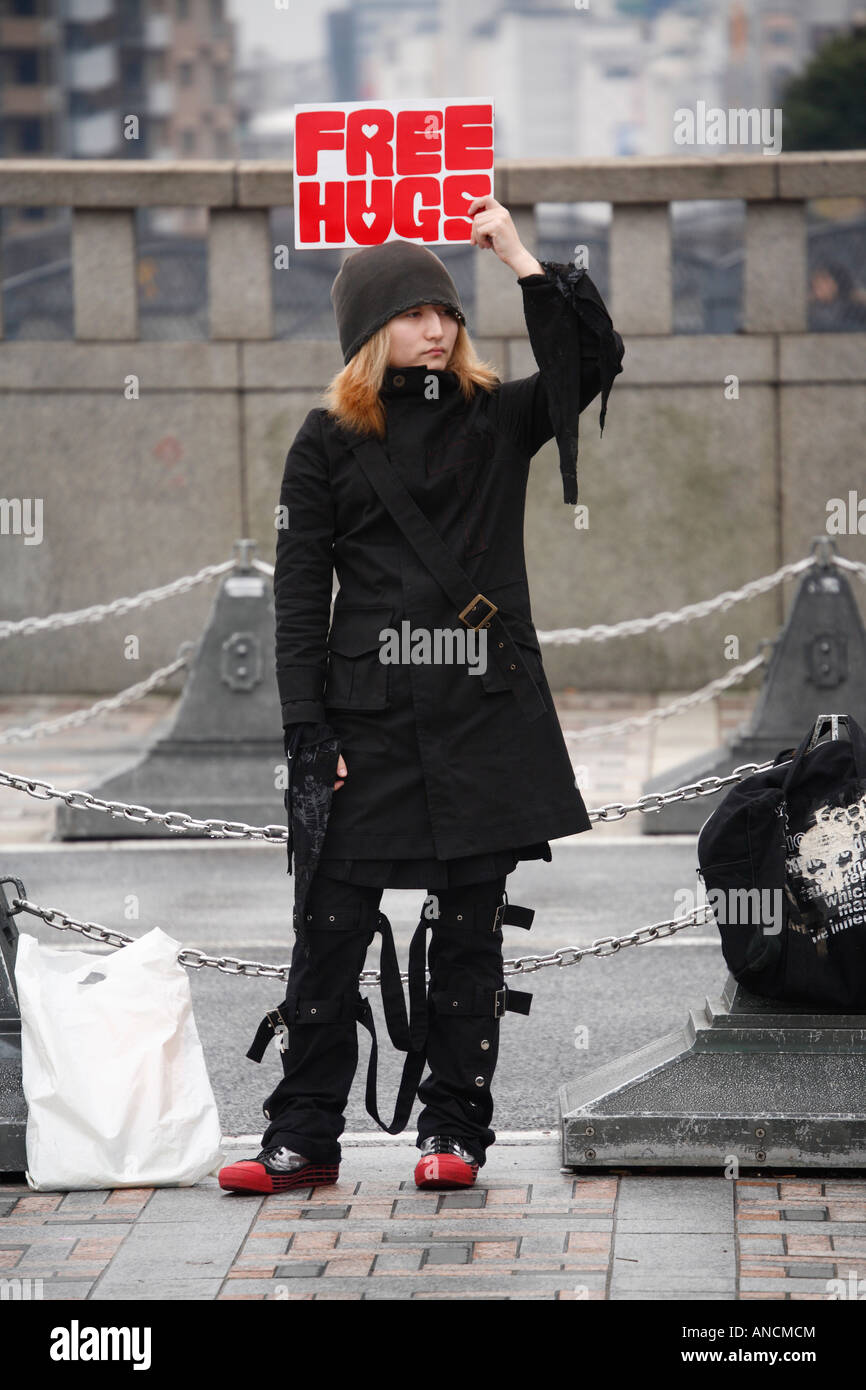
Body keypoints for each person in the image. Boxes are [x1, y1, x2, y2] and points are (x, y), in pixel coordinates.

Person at [218, 195, 625, 1196]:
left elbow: (592, 363)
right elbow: (300, 600)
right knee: (329, 931)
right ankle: (302, 1134)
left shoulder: (496, 419)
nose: (435, 327)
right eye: (410, 312)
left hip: (481, 716)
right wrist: (308, 735)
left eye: (443, 309)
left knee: (468, 937)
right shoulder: (323, 442)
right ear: (369, 332)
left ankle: (454, 1131)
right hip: (367, 723)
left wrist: (518, 255)